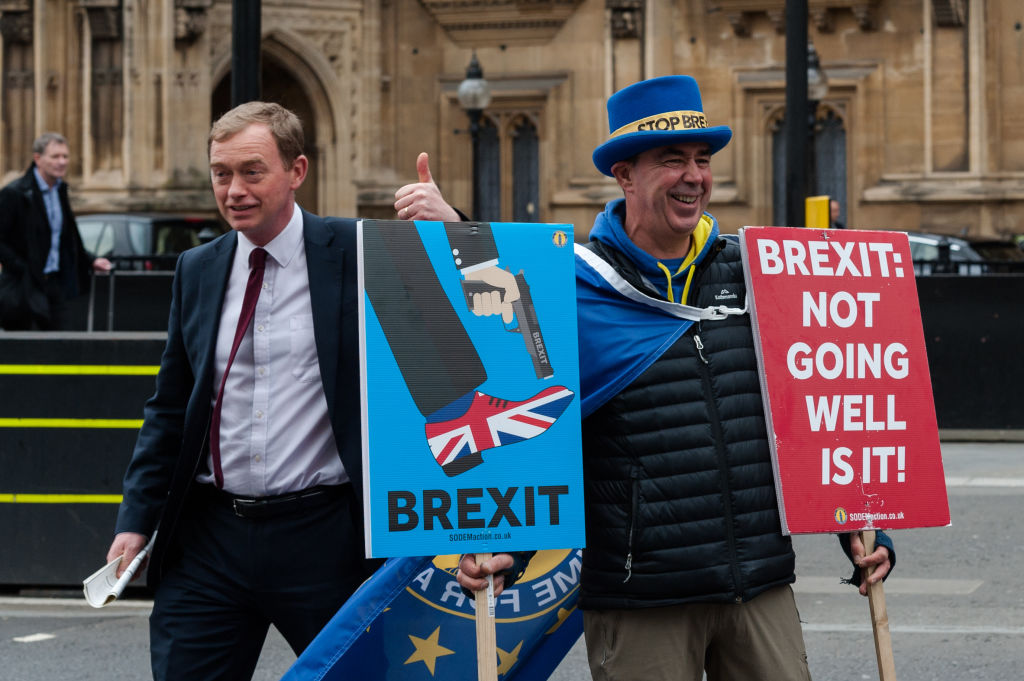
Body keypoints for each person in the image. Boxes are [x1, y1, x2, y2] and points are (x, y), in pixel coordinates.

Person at [396, 75, 893, 681]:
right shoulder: (570, 285)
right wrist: (512, 546)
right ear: (625, 175)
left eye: (702, 160)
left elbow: (820, 403)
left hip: (757, 582)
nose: (694, 176)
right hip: (642, 596)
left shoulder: (758, 271)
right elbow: (529, 413)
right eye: (671, 160)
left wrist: (861, 521)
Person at [104, 102, 379, 681]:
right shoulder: (197, 268)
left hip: (325, 537)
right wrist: (136, 520)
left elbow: (470, 287)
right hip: (209, 540)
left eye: (252, 171)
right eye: (220, 173)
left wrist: (450, 219)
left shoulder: (354, 250)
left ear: (297, 171)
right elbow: (170, 406)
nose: (233, 190)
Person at [0, 132, 111, 329]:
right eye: (55, 156)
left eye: (65, 156)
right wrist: (22, 268)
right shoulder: (15, 193)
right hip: (24, 286)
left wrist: (91, 259)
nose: (62, 162)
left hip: (55, 284)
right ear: (37, 159)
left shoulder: (60, 190)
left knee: (60, 347)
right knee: (28, 353)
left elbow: (67, 238)